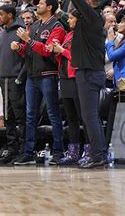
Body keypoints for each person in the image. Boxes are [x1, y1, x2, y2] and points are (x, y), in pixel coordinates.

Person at [62, 0, 107, 168]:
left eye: (79, 3)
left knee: (89, 117)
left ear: (87, 3)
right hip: (89, 72)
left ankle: (98, 154)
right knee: (91, 117)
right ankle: (99, 152)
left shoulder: (91, 17)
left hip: (89, 74)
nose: (74, 7)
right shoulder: (88, 21)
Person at [12, 0, 66, 165]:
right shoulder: (35, 25)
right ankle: (29, 152)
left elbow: (47, 52)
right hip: (32, 76)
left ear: (49, 7)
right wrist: (20, 47)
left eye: (41, 3)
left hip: (48, 75)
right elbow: (30, 51)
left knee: (53, 114)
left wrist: (28, 41)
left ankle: (58, 151)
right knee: (30, 116)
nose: (37, 5)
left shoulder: (57, 27)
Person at [46, 9, 88, 165]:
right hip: (63, 77)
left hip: (76, 77)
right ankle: (73, 151)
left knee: (83, 117)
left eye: (71, 18)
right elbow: (62, 57)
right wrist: (56, 50)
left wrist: (62, 50)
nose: (69, 21)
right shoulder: (68, 35)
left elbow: (77, 57)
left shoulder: (82, 35)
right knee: (71, 117)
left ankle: (89, 150)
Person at [0, 5, 25, 164]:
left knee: (20, 116)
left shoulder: (20, 31)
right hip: (3, 79)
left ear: (10, 15)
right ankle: (12, 149)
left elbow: (27, 57)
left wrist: (20, 77)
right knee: (8, 117)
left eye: (1, 14)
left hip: (16, 79)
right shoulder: (2, 33)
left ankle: (24, 149)